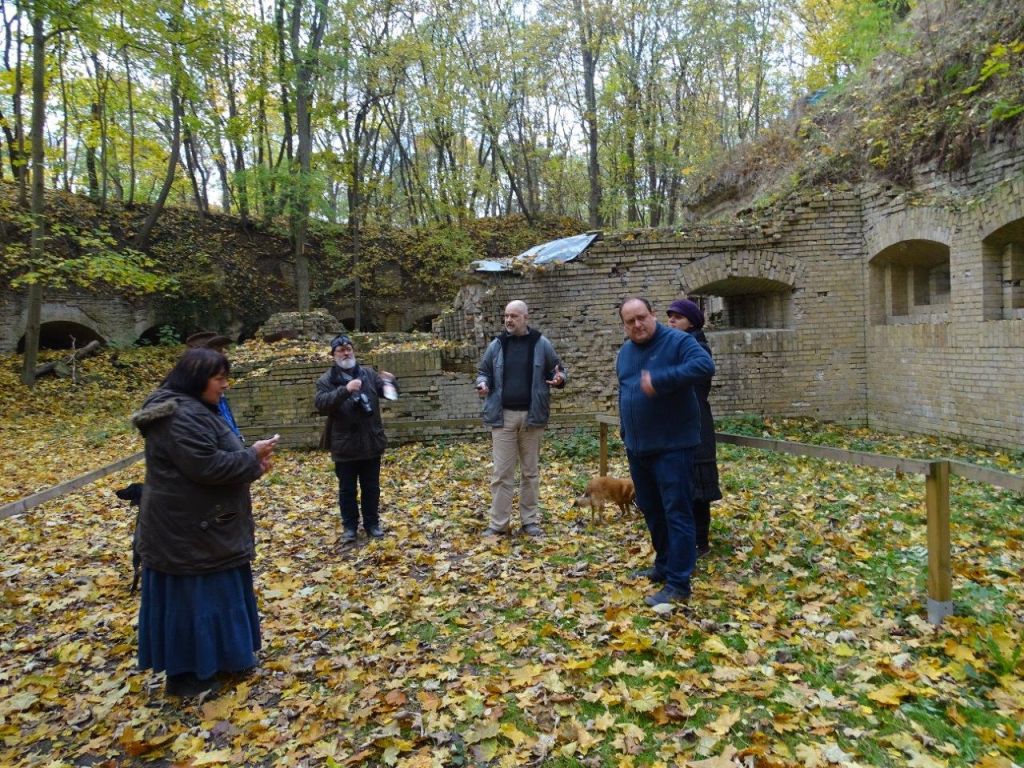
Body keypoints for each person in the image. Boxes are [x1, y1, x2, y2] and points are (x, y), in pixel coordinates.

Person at [131, 348, 278, 698]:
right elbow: (207, 467)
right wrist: (252, 457)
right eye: (219, 379)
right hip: (187, 531)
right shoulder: (179, 416)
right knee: (194, 601)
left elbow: (215, 462)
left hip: (208, 526)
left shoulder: (195, 409)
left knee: (221, 594)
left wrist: (251, 464)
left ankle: (230, 657)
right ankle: (186, 674)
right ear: (197, 379)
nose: (225, 385)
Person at [616, 297, 714, 606]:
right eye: (630, 321)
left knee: (677, 511)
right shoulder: (625, 352)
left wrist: (661, 379)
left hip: (673, 446)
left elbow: (704, 366)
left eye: (641, 317)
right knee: (651, 508)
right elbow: (626, 391)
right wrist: (625, 431)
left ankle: (679, 583)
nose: (637, 325)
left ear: (653, 315)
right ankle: (663, 565)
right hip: (639, 447)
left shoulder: (678, 341)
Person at [476, 300, 566, 538]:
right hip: (502, 417)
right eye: (506, 315)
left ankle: (529, 522)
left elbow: (557, 370)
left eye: (514, 316)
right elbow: (483, 371)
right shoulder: (497, 345)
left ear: (526, 317)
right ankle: (498, 524)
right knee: (501, 473)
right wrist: (483, 383)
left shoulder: (541, 343)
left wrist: (559, 379)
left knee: (530, 472)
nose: (508, 320)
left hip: (532, 417)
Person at [314, 334, 397, 545]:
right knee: (347, 490)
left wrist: (390, 382)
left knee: (371, 488)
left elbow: (390, 396)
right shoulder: (326, 380)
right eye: (340, 350)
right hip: (344, 446)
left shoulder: (368, 374)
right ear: (333, 355)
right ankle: (349, 527)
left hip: (370, 442)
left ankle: (372, 525)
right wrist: (345, 390)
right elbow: (321, 404)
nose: (346, 352)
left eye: (348, 348)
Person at [666, 298, 722, 556]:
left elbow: (690, 380)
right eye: (670, 317)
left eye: (677, 317)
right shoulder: (678, 345)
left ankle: (701, 542)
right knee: (683, 485)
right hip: (679, 423)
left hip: (696, 423)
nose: (671, 321)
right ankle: (685, 538)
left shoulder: (697, 347)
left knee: (698, 487)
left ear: (692, 321)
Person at [186, 332, 244, 443]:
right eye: (218, 351)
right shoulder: (191, 405)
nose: (224, 355)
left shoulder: (216, 393)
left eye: (222, 350)